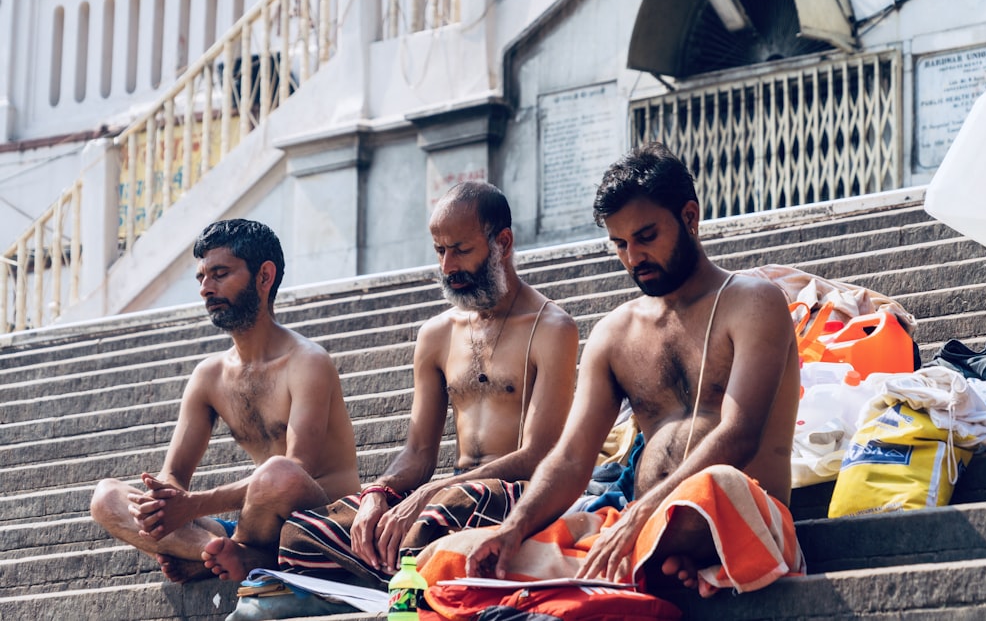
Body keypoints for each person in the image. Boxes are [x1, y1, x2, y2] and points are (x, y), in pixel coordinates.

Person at [420, 142, 804, 601]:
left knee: (706, 494)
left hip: (738, 512)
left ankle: (648, 560)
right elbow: (570, 458)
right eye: (619, 244)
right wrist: (514, 528)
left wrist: (644, 512)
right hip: (637, 522)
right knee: (453, 557)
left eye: (646, 236)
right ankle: (657, 565)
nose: (632, 257)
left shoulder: (753, 302)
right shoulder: (614, 333)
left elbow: (740, 433)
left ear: (689, 217)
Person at [277, 181, 580, 588]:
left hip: (514, 493)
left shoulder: (552, 328)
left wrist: (435, 490)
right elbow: (418, 452)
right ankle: (402, 568)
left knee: (440, 515)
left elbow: (539, 454)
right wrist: (377, 494)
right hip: (446, 496)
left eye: (461, 249)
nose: (446, 266)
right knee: (298, 535)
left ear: (502, 243)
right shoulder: (436, 334)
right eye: (440, 250)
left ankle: (393, 571)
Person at [90, 219, 360, 584]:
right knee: (106, 497)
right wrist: (162, 502)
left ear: (264, 276)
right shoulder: (209, 376)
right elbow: (174, 477)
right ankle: (227, 553)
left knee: (277, 473)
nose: (206, 289)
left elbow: (299, 469)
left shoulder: (308, 362)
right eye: (201, 277)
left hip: (320, 520)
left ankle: (217, 555)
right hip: (249, 523)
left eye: (219, 274)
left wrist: (194, 505)